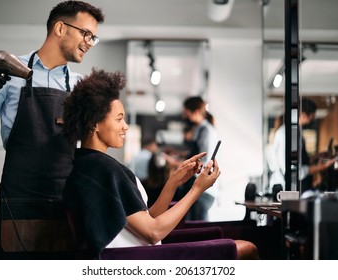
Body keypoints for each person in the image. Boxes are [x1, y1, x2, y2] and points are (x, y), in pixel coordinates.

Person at [62, 68, 259, 260]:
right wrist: (197, 190)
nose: (126, 126)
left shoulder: (87, 165)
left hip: (137, 254)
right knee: (248, 249)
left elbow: (148, 219)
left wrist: (173, 182)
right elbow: (153, 232)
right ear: (95, 124)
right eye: (119, 119)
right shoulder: (105, 169)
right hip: (142, 260)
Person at [0, 1, 105, 259]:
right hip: (18, 200)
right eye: (86, 34)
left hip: (64, 202)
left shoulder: (79, 86)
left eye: (93, 37)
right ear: (60, 28)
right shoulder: (12, 74)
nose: (89, 42)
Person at [271, 98, 335, 193]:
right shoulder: (286, 135)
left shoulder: (296, 132)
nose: (312, 121)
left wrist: (318, 156)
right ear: (303, 115)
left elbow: (299, 160)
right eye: (311, 118)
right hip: (285, 188)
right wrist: (322, 167)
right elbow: (295, 171)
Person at [182, 96, 220, 220]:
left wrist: (180, 164)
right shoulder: (200, 129)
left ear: (196, 111)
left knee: (197, 227)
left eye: (187, 113)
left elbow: (204, 159)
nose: (185, 117)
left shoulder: (205, 131)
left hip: (202, 188)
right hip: (200, 186)